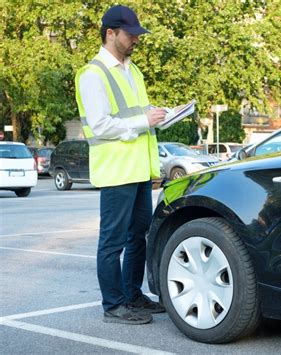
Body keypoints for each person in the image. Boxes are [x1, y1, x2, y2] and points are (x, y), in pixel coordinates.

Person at [75, 5, 167, 325]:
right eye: (131, 35)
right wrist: (144, 120)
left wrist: (156, 115)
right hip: (116, 171)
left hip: (139, 169)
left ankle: (132, 295)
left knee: (137, 236)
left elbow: (136, 114)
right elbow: (99, 125)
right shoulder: (92, 74)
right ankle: (113, 305)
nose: (135, 40)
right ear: (110, 33)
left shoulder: (133, 70)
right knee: (112, 241)